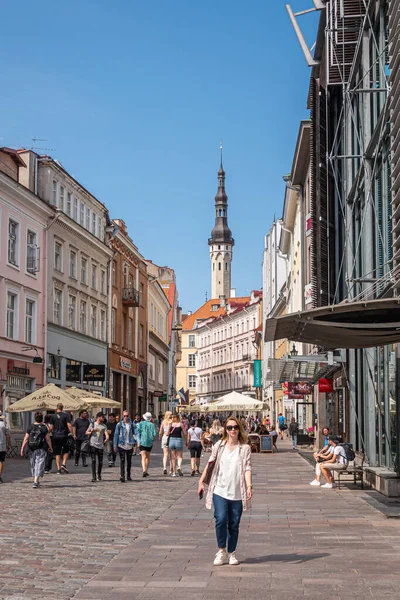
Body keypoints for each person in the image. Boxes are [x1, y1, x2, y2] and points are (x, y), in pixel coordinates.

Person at [198, 416, 252, 566]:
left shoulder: (245, 448)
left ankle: (232, 553)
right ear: (225, 430)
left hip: (237, 491)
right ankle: (221, 550)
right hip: (219, 490)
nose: (232, 430)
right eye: (229, 428)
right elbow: (210, 464)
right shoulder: (219, 446)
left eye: (235, 427)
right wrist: (201, 482)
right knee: (221, 519)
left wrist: (249, 486)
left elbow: (247, 468)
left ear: (239, 429)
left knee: (234, 523)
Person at [20, 412, 53, 488]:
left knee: (33, 464)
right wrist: (50, 447)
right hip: (41, 448)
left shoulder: (30, 427)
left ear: (35, 418)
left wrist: (22, 448)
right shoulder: (44, 427)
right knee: (39, 463)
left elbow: (26, 439)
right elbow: (48, 439)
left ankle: (35, 479)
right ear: (42, 419)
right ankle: (36, 480)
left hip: (31, 448)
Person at [114, 411, 138, 482]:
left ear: (129, 416)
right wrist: (115, 445)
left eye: (127, 416)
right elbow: (116, 435)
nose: (126, 417)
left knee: (129, 461)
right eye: (124, 416)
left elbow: (136, 433)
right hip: (122, 444)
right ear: (122, 416)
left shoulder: (132, 424)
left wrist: (138, 441)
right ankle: (122, 475)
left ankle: (128, 475)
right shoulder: (119, 424)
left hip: (130, 444)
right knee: (122, 460)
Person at [50, 403, 73, 474]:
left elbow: (51, 427)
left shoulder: (53, 416)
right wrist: (72, 433)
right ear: (62, 408)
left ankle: (58, 469)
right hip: (64, 435)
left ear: (56, 408)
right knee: (66, 450)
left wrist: (48, 433)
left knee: (57, 452)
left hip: (56, 436)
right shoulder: (66, 415)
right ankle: (63, 464)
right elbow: (69, 425)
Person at [87, 412, 109, 482]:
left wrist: (106, 439)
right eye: (102, 417)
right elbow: (86, 432)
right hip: (93, 444)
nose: (103, 418)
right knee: (93, 460)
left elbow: (106, 434)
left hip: (100, 445)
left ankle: (99, 474)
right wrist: (91, 432)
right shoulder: (92, 424)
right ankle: (94, 476)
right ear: (98, 417)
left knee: (100, 461)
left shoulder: (104, 426)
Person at [137, 412, 157, 477]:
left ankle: (144, 470)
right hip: (149, 442)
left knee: (143, 457)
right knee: (148, 457)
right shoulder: (152, 425)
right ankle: (146, 470)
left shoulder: (141, 423)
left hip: (142, 441)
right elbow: (154, 434)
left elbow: (138, 431)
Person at [159, 411, 172, 475]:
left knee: (165, 454)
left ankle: (164, 467)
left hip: (164, 437)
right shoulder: (172, 422)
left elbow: (160, 431)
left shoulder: (163, 422)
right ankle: (171, 469)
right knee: (171, 454)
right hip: (171, 438)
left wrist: (160, 437)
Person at [0, 411, 11, 483]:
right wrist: (9, 444)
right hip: (1, 445)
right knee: (0, 461)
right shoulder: (3, 424)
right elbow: (7, 436)